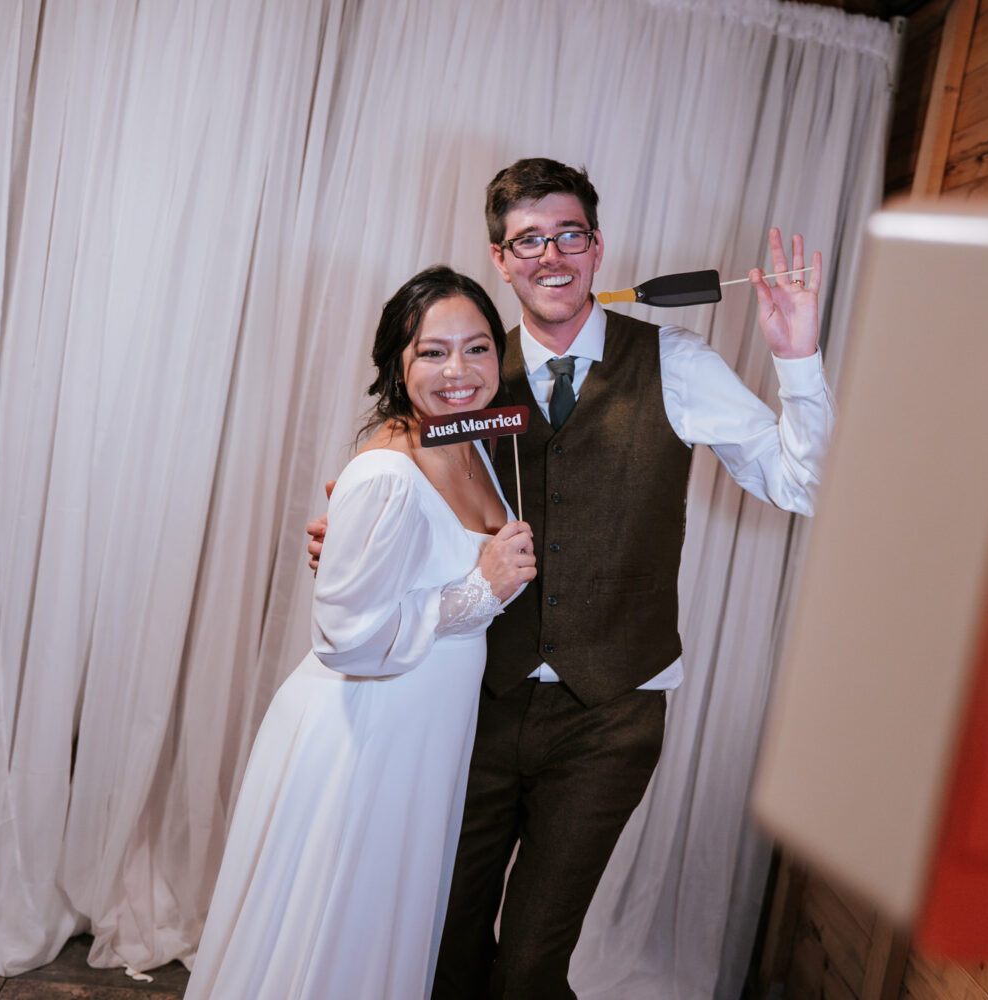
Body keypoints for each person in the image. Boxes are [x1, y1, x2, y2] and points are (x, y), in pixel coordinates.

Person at [309, 159, 833, 1000]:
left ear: (596, 246)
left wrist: (798, 359)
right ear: (501, 258)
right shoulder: (475, 376)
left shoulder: (677, 364)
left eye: (569, 235)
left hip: (611, 720)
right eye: (528, 241)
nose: (551, 255)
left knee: (529, 969)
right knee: (445, 947)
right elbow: (405, 478)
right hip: (476, 702)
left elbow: (805, 484)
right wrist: (350, 539)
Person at [186, 266, 536, 1000]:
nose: (459, 370)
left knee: (382, 930)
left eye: (476, 349)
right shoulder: (385, 470)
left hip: (421, 737)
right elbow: (347, 636)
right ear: (396, 363)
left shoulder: (470, 442)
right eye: (432, 352)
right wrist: (484, 588)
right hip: (364, 736)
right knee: (336, 932)